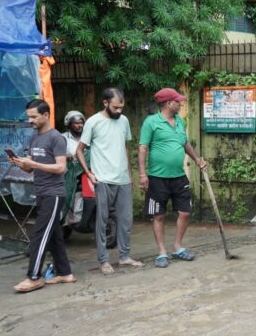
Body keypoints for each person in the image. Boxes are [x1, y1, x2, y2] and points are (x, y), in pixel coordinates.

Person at [9, 99, 75, 292]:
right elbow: (32, 167)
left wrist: (35, 164)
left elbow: (61, 167)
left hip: (54, 194)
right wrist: (21, 163)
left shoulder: (56, 138)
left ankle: (34, 277)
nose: (30, 120)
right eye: (28, 117)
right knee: (53, 235)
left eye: (34, 117)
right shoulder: (35, 138)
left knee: (39, 234)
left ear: (46, 115)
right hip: (41, 191)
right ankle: (65, 273)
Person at [76, 88, 144, 275]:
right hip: (103, 179)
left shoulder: (124, 121)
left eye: (121, 107)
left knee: (126, 220)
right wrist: (89, 174)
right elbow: (79, 150)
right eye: (115, 107)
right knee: (102, 221)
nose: (119, 111)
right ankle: (103, 260)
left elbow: (125, 148)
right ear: (105, 103)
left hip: (122, 179)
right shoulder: (93, 122)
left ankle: (124, 257)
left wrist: (130, 175)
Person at [138, 88, 208, 268]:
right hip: (157, 177)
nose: (180, 103)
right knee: (159, 215)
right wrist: (142, 174)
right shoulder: (151, 122)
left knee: (185, 212)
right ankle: (162, 252)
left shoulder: (179, 121)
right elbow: (143, 148)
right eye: (178, 101)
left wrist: (197, 159)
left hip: (178, 176)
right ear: (169, 103)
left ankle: (177, 247)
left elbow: (185, 144)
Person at [61, 110, 86, 220]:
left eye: (81, 122)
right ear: (69, 124)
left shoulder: (88, 137)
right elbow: (57, 153)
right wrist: (65, 155)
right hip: (69, 174)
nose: (79, 125)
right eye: (76, 123)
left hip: (86, 173)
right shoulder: (63, 138)